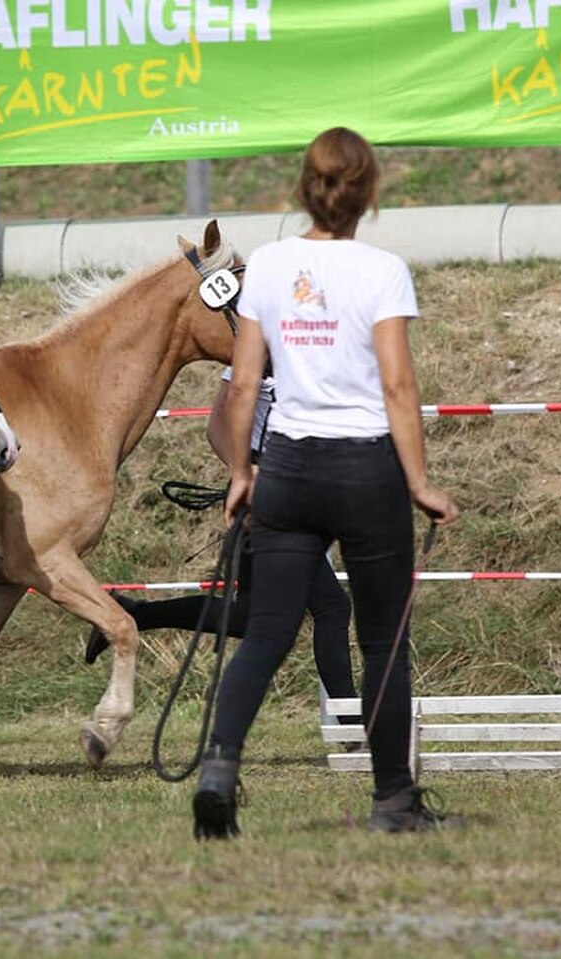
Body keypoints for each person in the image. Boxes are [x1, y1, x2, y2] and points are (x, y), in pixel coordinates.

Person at [190, 127, 461, 839]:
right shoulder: (382, 270)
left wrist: (242, 474)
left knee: (266, 634)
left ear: (304, 188)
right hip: (366, 469)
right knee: (381, 643)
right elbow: (398, 386)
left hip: (289, 468)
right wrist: (421, 481)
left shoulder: (271, 268)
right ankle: (394, 801)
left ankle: (219, 767)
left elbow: (245, 382)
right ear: (367, 192)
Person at [83, 370, 360, 731]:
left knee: (246, 616)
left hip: (296, 487)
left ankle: (136, 614)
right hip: (268, 493)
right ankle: (353, 727)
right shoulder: (257, 349)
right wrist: (246, 474)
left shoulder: (312, 351)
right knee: (332, 607)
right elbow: (216, 427)